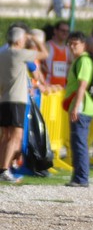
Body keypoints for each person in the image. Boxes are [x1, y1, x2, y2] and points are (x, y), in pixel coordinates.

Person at [0, 26, 48, 183]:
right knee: (15, 136)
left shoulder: (3, 53)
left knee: (5, 136)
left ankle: (2, 167)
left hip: (4, 98)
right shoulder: (20, 54)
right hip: (17, 99)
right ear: (20, 40)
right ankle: (5, 170)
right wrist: (34, 39)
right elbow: (44, 53)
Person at [63, 31, 93, 187]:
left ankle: (82, 178)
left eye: (75, 44)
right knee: (77, 142)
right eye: (70, 43)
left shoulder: (83, 61)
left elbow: (82, 85)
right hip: (81, 107)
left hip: (82, 108)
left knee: (79, 143)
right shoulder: (78, 60)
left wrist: (76, 107)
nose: (72, 47)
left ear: (83, 45)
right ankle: (78, 177)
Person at [43, 20, 71, 87]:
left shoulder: (69, 49)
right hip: (48, 88)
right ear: (55, 31)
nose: (65, 33)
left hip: (62, 88)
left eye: (67, 31)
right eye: (63, 30)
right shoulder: (47, 46)